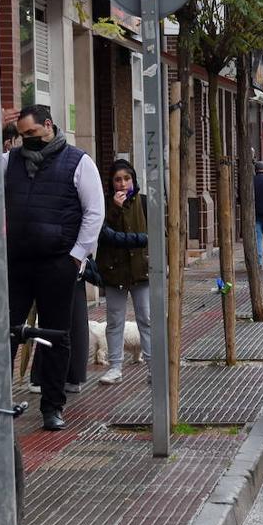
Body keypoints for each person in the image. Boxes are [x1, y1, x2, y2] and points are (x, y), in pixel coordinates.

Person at [3, 105, 104, 431]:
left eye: (31, 133)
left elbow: (94, 213)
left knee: (55, 336)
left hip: (57, 263)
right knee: (6, 332)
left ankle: (52, 406)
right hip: (17, 263)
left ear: (49, 125)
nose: (26, 140)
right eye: (22, 135)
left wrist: (76, 256)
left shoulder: (78, 162)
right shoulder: (8, 162)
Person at [96, 160, 151, 384]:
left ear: (133, 180)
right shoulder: (105, 204)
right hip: (115, 270)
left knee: (145, 318)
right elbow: (101, 232)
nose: (122, 184)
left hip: (140, 269)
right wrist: (115, 210)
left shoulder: (144, 202)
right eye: (117, 179)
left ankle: (152, 366)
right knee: (115, 319)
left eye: (126, 179)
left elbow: (159, 232)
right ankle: (115, 366)